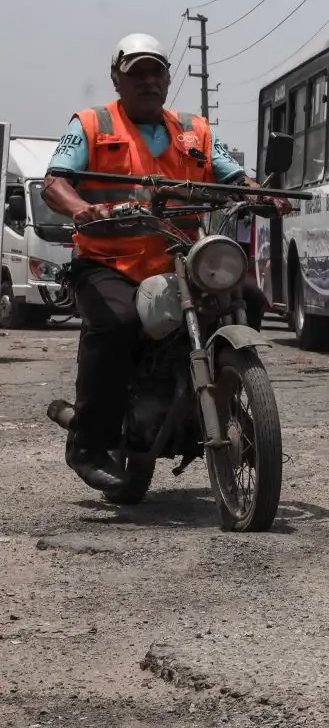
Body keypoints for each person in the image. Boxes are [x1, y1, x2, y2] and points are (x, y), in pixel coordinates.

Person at [40, 34, 273, 490]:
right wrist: (79, 208)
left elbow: (233, 174)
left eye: (156, 72)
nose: (148, 81)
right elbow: (55, 181)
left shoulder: (196, 131)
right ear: (117, 79)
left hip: (179, 258)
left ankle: (228, 394)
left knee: (247, 296)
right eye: (137, 73)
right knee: (118, 324)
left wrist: (256, 190)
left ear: (168, 78)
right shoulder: (92, 123)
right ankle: (87, 442)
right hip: (109, 260)